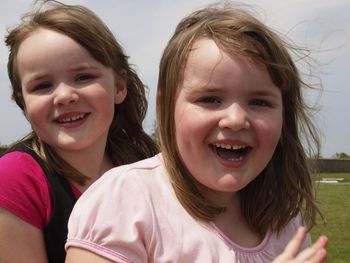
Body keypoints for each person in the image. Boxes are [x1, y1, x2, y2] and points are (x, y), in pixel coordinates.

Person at [65, 3, 328, 262]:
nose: (235, 120)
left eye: (259, 102)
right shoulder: (126, 202)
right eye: (210, 99)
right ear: (167, 106)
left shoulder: (284, 222)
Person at [0, 1, 158, 263]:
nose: (64, 96)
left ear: (119, 86)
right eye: (42, 85)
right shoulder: (14, 178)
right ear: (23, 102)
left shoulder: (145, 164)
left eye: (83, 77)